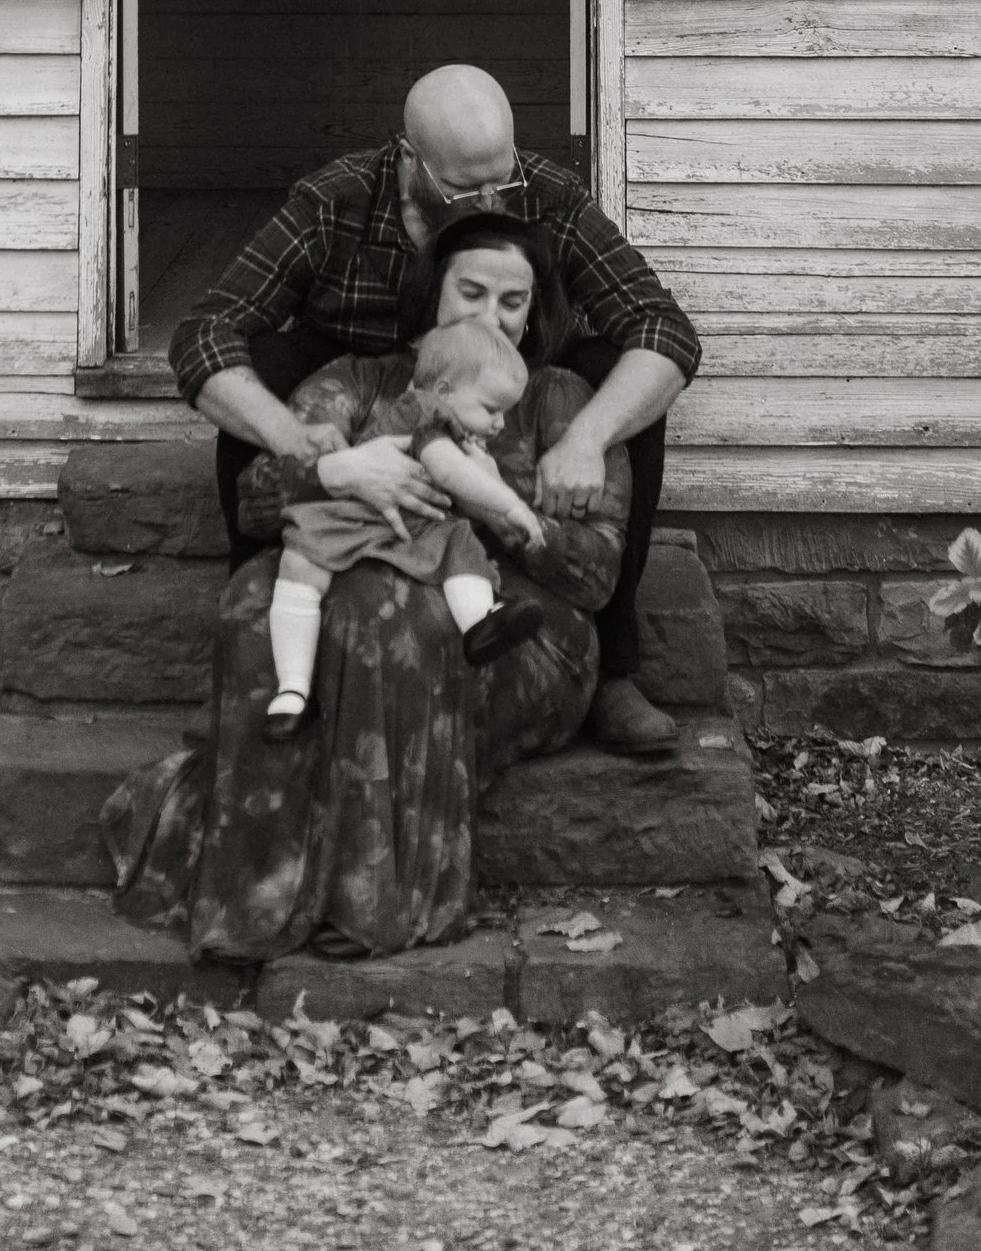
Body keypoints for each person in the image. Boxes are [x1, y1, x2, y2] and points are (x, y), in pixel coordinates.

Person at [108, 216, 627, 958]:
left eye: (512, 301)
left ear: (535, 309)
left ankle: (378, 900)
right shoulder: (356, 381)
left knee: (395, 623)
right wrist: (330, 470)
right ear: (431, 291)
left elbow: (597, 575)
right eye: (471, 291)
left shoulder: (558, 401)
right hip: (350, 570)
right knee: (259, 608)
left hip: (512, 619)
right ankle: (256, 887)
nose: (490, 316)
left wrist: (499, 512)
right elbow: (257, 500)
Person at [169, 62, 701, 757]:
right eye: (465, 186)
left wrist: (587, 440)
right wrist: (302, 442)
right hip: (361, 381)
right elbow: (206, 331)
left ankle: (614, 668)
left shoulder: (545, 192)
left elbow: (662, 327)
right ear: (411, 160)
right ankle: (264, 651)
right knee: (259, 367)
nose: (490, 198)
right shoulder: (336, 200)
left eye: (500, 180)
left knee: (623, 379)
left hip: (508, 389)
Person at [264, 317, 547, 732]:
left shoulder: (454, 426)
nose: (501, 423)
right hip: (359, 515)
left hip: (409, 524)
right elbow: (447, 472)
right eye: (492, 409)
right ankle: (291, 688)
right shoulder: (425, 411)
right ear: (445, 391)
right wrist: (512, 505)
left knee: (458, 542)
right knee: (301, 565)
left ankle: (481, 624)